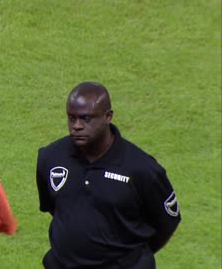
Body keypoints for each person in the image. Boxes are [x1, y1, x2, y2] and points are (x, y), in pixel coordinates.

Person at [36, 82, 181, 269]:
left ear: (108, 117)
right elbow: (56, 208)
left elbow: (166, 223)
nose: (76, 126)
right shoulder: (51, 157)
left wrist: (131, 258)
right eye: (71, 118)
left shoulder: (141, 168)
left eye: (86, 119)